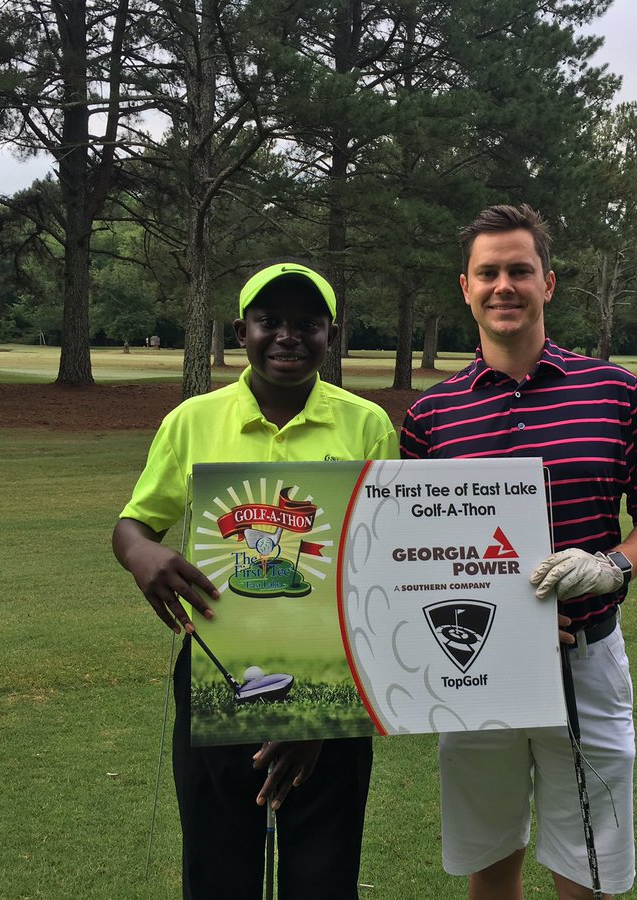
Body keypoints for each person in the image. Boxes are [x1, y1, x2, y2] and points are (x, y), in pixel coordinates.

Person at [399, 204, 637, 899]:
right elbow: (415, 557)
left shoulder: (614, 391)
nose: (505, 285)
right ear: (465, 287)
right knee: (490, 854)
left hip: (585, 660)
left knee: (587, 862)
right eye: (489, 273)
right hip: (475, 668)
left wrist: (614, 565)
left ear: (549, 283)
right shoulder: (430, 416)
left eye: (520, 271)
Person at [113, 261, 399, 900]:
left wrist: (318, 716)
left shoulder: (367, 425)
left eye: (308, 323)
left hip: (337, 675)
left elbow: (384, 571)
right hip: (220, 665)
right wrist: (142, 556)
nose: (288, 336)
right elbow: (134, 525)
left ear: (332, 334)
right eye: (270, 321)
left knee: (322, 873)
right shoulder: (193, 420)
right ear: (241, 331)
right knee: (219, 865)